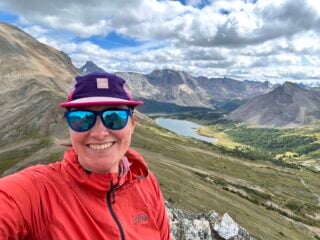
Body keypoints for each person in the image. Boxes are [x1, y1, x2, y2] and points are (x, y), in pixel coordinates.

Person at [0, 72, 171, 239]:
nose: (99, 133)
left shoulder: (146, 183)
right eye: (82, 118)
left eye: (115, 117)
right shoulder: (37, 191)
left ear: (132, 125)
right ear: (69, 126)